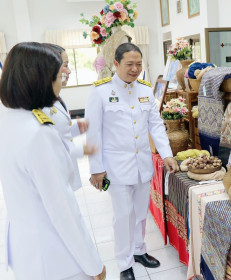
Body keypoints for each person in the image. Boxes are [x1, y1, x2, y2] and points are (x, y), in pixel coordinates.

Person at [0, 42, 106, 280]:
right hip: (57, 258)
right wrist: (94, 265)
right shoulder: (39, 133)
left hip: (27, 250)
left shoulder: (9, 120)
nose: (63, 79)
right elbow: (63, 210)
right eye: (59, 74)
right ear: (40, 79)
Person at [85, 43, 179, 280]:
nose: (135, 69)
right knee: (123, 216)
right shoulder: (100, 92)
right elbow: (92, 133)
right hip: (116, 168)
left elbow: (155, 125)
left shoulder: (146, 90)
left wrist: (166, 153)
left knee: (139, 212)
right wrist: (97, 169)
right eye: (129, 64)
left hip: (142, 165)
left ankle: (139, 250)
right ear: (116, 64)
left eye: (138, 64)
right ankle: (124, 262)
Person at [41, 43, 97, 191]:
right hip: (54, 179)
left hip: (66, 174)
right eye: (65, 65)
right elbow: (50, 145)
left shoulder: (57, 97)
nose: (69, 71)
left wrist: (76, 128)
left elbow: (60, 130)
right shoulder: (40, 104)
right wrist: (86, 149)